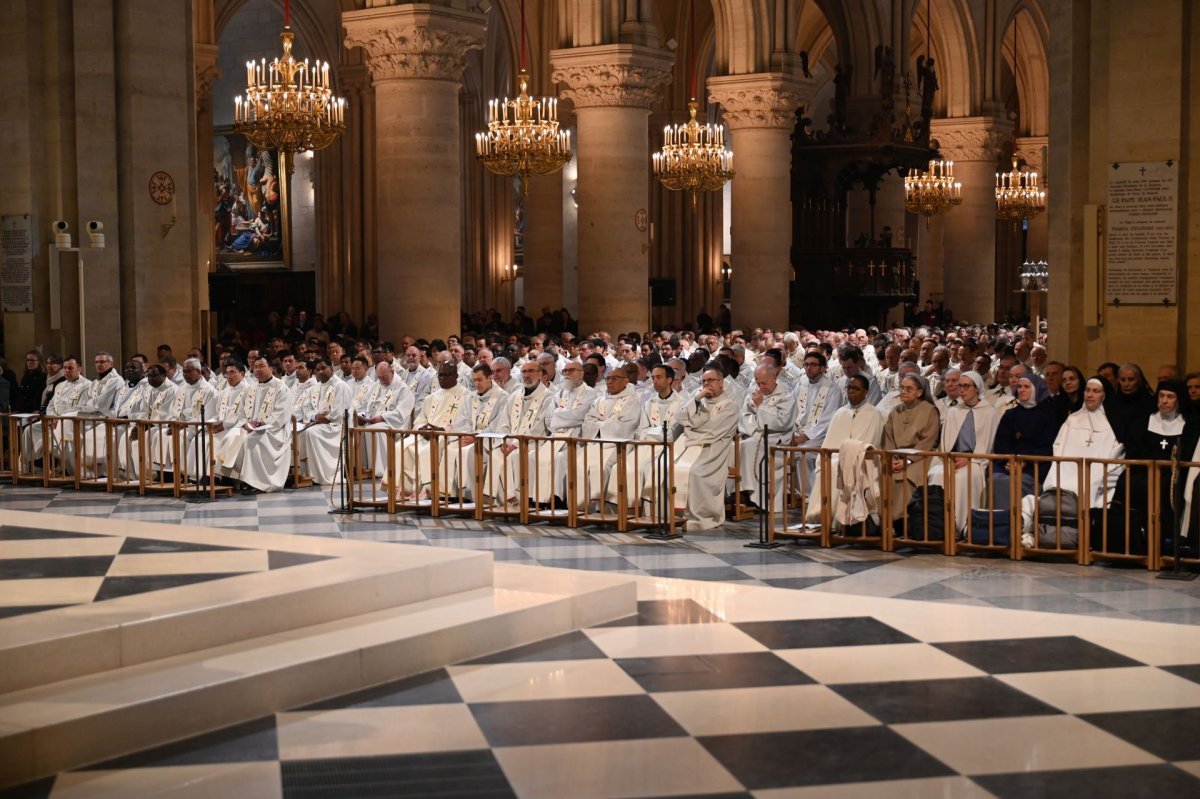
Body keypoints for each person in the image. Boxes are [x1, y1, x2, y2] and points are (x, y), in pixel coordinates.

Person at [1020, 377, 1124, 548]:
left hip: (1097, 482)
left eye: (1095, 391)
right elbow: (1058, 447)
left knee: (1091, 491)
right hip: (1066, 475)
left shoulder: (1113, 424)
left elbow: (1117, 455)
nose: (1090, 395)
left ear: (1104, 395)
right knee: (1044, 497)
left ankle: (1082, 539)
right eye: (1087, 390)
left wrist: (1098, 478)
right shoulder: (1072, 420)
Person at [660, 365, 740, 530]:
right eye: (703, 381)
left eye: (710, 380)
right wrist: (696, 399)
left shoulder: (729, 406)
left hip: (711, 452)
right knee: (665, 467)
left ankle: (700, 516)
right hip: (689, 448)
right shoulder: (698, 399)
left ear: (721, 383)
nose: (706, 384)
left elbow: (709, 431)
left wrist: (689, 428)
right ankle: (671, 515)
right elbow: (680, 416)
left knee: (696, 473)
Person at [929, 371, 999, 533]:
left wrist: (970, 459)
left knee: (963, 478)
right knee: (937, 474)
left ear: (977, 388)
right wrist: (952, 458)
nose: (961, 390)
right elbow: (947, 443)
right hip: (952, 459)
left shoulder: (989, 412)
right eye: (960, 386)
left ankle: (960, 526)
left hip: (977, 461)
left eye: (966, 386)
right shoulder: (954, 411)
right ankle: (938, 525)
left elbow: (988, 445)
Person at [216, 356, 293, 493]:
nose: (257, 369)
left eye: (261, 366)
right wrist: (246, 424)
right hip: (251, 428)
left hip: (274, 430)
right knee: (231, 436)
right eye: (255, 367)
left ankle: (255, 482)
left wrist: (264, 423)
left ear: (270, 369)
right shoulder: (251, 388)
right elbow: (241, 413)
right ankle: (230, 478)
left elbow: (281, 414)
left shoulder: (281, 388)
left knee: (251, 441)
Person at [572, 368, 641, 511]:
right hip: (596, 442)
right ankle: (581, 508)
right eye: (608, 378)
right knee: (578, 464)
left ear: (626, 381)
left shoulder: (632, 401)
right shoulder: (600, 400)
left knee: (602, 467)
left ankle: (601, 509)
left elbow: (624, 426)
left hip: (617, 444)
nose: (610, 381)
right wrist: (605, 424)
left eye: (615, 378)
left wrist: (599, 425)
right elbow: (588, 422)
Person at [737, 362, 798, 511]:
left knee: (748, 446)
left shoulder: (786, 396)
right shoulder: (754, 393)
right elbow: (744, 416)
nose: (760, 387)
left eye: (763, 383)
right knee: (733, 446)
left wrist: (761, 406)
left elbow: (782, 421)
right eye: (757, 382)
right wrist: (757, 426)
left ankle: (752, 493)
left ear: (774, 378)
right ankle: (740, 491)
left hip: (776, 440)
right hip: (757, 435)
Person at [401, 363, 468, 500]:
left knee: (427, 451)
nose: (442, 379)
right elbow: (420, 420)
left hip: (447, 436)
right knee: (400, 446)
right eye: (440, 375)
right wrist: (422, 429)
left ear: (456, 376)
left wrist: (441, 430)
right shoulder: (431, 397)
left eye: (446, 375)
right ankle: (404, 490)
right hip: (425, 436)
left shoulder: (466, 396)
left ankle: (428, 492)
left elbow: (464, 422)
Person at [992, 372, 1059, 503]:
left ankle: (1018, 521)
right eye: (1020, 386)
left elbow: (1047, 445)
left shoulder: (1048, 414)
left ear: (1036, 389)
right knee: (995, 479)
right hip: (1008, 463)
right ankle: (998, 520)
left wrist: (1024, 462)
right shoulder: (1010, 414)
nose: (1021, 390)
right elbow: (1001, 442)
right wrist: (1011, 460)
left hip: (1035, 465)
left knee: (1016, 481)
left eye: (1026, 387)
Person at [883, 374, 941, 515]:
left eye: (909, 389)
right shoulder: (895, 411)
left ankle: (907, 520)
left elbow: (928, 441)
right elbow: (889, 439)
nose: (903, 391)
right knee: (883, 473)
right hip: (896, 458)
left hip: (921, 456)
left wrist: (907, 461)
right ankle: (886, 521)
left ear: (920, 392)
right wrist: (893, 459)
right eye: (902, 388)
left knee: (907, 476)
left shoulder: (930, 411)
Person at [298, 358, 353, 486]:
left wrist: (325, 418)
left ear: (332, 369)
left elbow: (338, 413)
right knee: (299, 432)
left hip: (336, 427)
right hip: (318, 423)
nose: (321, 372)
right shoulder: (314, 388)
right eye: (318, 370)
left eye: (324, 368)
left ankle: (321, 474)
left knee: (311, 433)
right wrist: (316, 417)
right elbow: (305, 409)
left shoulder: (340, 386)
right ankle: (307, 474)